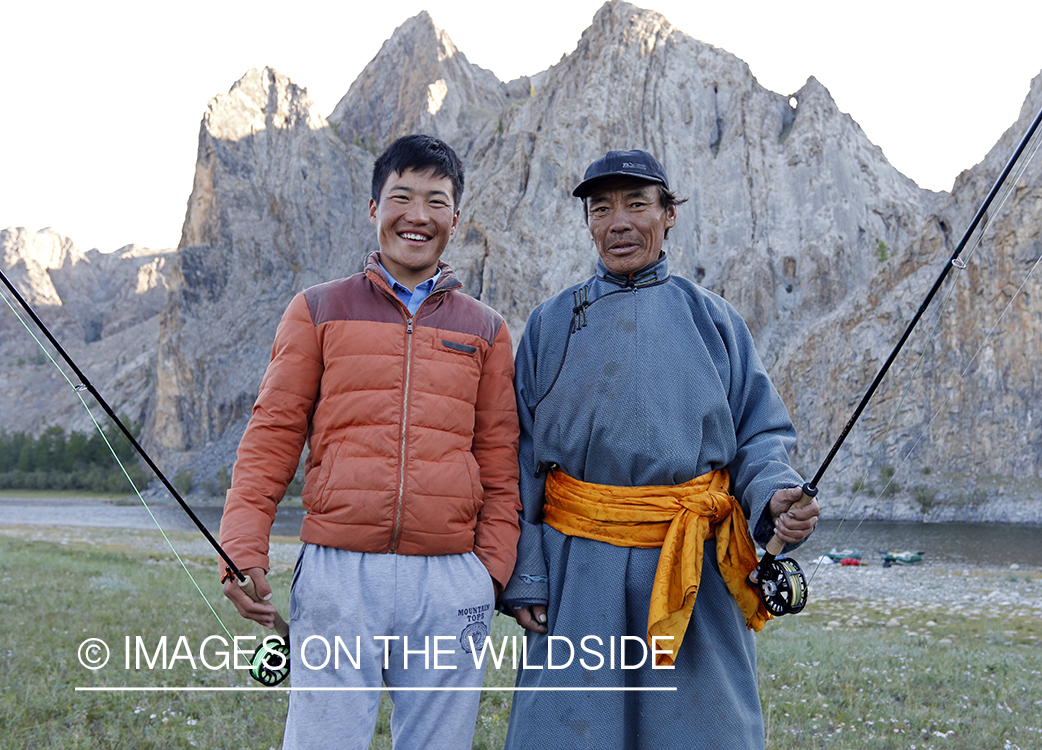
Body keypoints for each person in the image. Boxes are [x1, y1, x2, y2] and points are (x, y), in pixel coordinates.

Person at [498, 149, 819, 749]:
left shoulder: (716, 321)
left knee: (700, 732)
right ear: (589, 223)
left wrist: (775, 493)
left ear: (668, 214)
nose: (619, 222)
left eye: (637, 204)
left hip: (693, 566)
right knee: (568, 732)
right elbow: (517, 457)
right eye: (602, 209)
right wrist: (527, 575)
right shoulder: (549, 325)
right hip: (577, 570)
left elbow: (758, 435)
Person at [219, 134, 520, 750]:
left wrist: (488, 574)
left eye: (435, 200)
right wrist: (241, 543)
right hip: (338, 574)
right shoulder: (316, 310)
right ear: (374, 208)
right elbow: (272, 434)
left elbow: (498, 457)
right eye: (400, 196)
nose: (417, 215)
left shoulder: (486, 329)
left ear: (455, 218)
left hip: (449, 580)